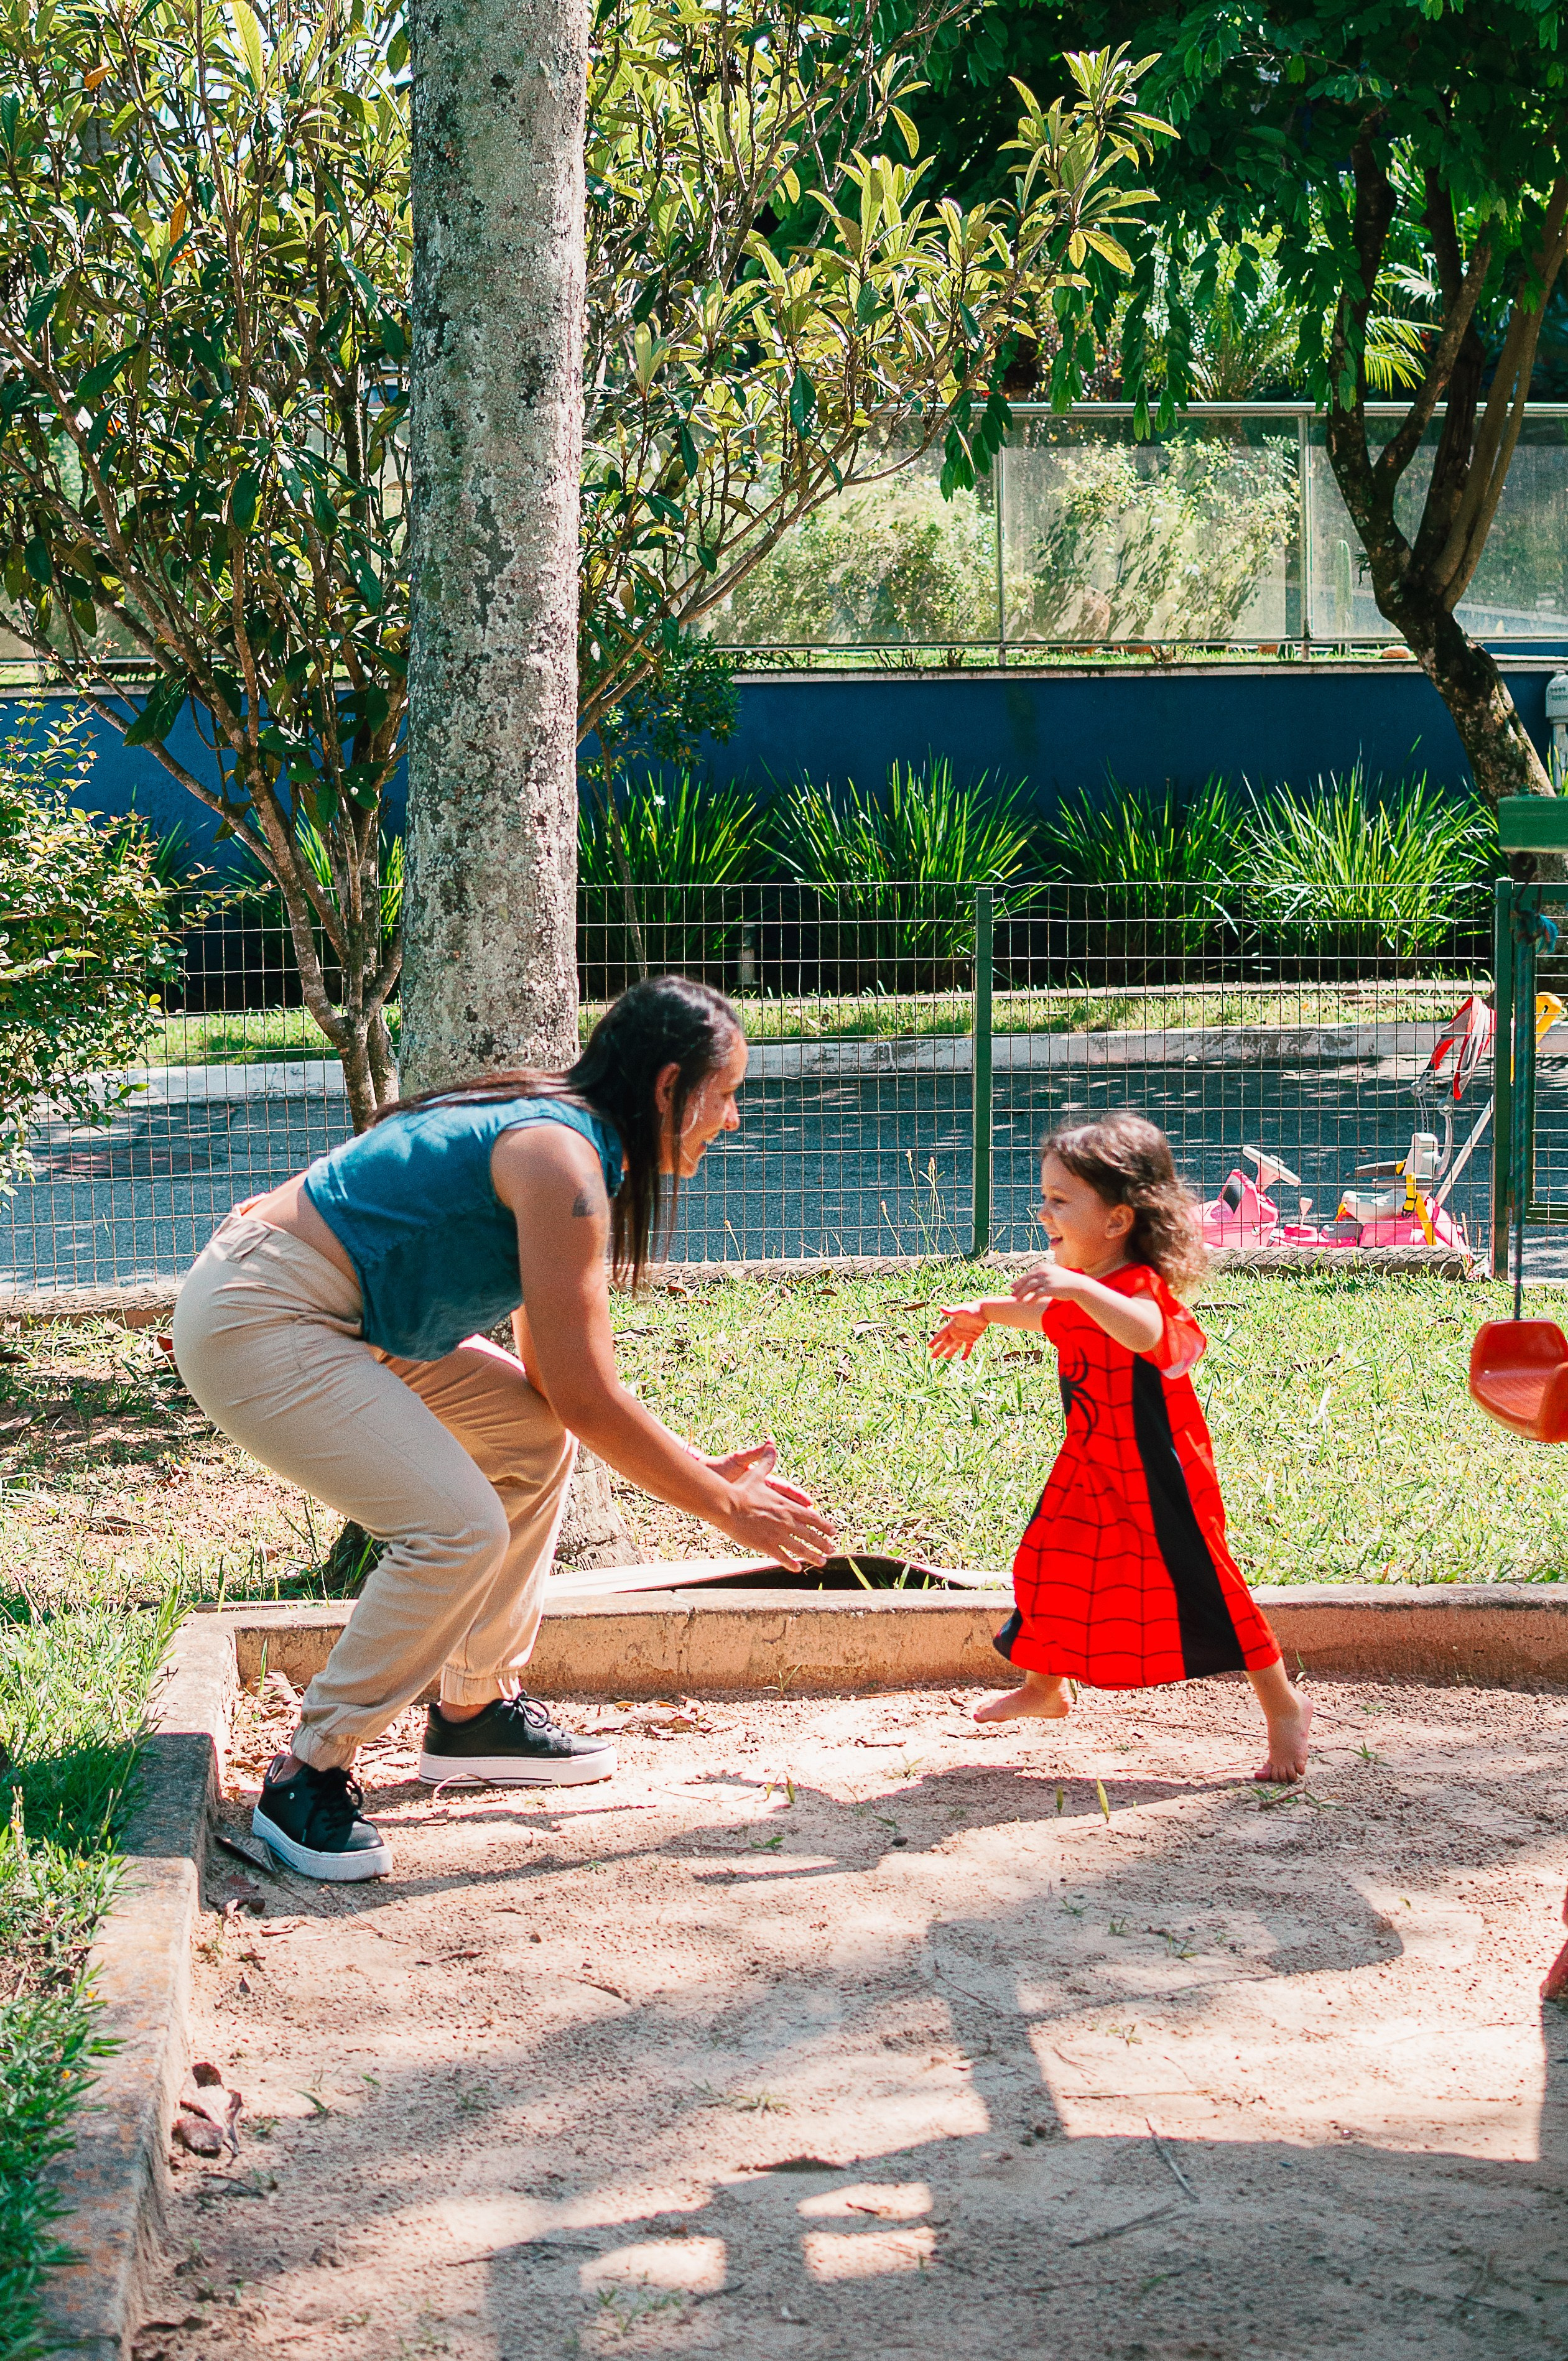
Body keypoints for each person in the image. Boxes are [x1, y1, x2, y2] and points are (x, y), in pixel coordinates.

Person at [172, 976, 836, 1881]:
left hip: (335, 1311)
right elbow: (588, 1395)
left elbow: (563, 1394)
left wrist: (689, 1465)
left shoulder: (573, 1143)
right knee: (454, 1528)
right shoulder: (561, 1160)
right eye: (723, 1097)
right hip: (264, 1314)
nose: (731, 1120)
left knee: (529, 1443)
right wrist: (723, 1506)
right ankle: (308, 1772)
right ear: (669, 1086)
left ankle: (475, 1710)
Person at [928, 1111, 1311, 1784]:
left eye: (1058, 1199)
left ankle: (1284, 1708)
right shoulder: (1084, 1286)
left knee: (1209, 1585)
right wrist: (983, 1313)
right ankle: (1045, 1686)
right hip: (1091, 1458)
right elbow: (1049, 1315)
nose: (1042, 1210)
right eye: (1043, 1196)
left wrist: (1079, 1285)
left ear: (1117, 1221)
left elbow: (1149, 1333)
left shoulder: (1135, 1289)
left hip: (1160, 1471)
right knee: (1046, 1560)